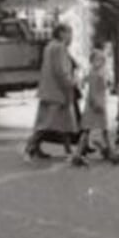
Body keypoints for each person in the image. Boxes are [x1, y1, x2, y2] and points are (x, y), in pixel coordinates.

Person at [23, 26, 79, 162]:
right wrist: (71, 82)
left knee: (62, 123)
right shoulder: (59, 48)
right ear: (62, 34)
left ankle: (68, 151)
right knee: (48, 124)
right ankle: (29, 147)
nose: (71, 38)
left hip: (49, 90)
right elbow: (61, 71)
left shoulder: (49, 47)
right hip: (57, 92)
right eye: (69, 34)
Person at [72, 45, 112, 167]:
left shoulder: (96, 73)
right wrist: (97, 103)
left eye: (101, 60)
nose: (99, 63)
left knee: (92, 130)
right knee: (93, 129)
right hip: (96, 105)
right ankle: (108, 151)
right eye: (97, 60)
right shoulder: (96, 74)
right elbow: (94, 91)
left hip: (96, 104)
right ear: (92, 61)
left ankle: (80, 153)